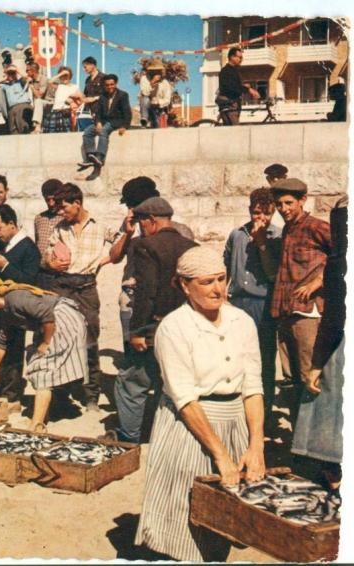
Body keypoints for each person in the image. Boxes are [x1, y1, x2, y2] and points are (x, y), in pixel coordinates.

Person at [135, 246, 265, 562]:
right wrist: (220, 455)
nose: (218, 289)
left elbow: (253, 387)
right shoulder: (174, 327)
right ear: (184, 284)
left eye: (222, 279)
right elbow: (185, 398)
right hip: (189, 426)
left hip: (234, 422)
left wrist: (256, 446)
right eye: (207, 282)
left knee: (225, 520)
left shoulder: (242, 321)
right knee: (184, 513)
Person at [110, 196, 197, 444]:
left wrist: (138, 330)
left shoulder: (146, 246)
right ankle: (168, 436)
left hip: (155, 328)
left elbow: (146, 292)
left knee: (130, 383)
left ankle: (130, 437)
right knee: (170, 383)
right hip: (184, 326)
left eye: (141, 223)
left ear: (151, 220)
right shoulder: (190, 246)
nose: (141, 228)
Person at [0, 277, 88, 431]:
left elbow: (47, 316)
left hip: (63, 321)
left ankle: (37, 425)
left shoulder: (15, 298)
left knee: (41, 368)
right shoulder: (7, 310)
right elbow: (2, 341)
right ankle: (42, 417)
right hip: (55, 322)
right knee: (39, 364)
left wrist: (46, 343)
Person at [292, 195, 346, 490]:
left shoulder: (341, 262)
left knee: (328, 405)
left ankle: (333, 473)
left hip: (342, 347)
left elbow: (335, 318)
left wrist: (316, 365)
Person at [44, 183, 114, 409]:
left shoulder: (100, 225)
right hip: (62, 286)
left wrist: (101, 262)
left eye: (64, 208)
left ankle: (91, 394)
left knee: (90, 339)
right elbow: (47, 254)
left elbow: (122, 243)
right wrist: (51, 262)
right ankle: (62, 393)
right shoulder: (59, 229)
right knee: (61, 339)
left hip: (86, 288)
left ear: (78, 203)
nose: (61, 213)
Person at [108, 177, 194, 357]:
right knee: (133, 352)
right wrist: (127, 233)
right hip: (131, 297)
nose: (129, 210)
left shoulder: (178, 229)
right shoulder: (128, 227)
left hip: (164, 299)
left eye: (130, 205)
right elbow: (114, 257)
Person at [270, 178, 331, 423]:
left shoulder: (317, 226)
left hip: (308, 314)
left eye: (288, 203)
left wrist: (317, 283)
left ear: (303, 201)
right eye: (279, 204)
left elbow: (345, 255)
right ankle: (297, 445)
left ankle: (318, 447)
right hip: (285, 312)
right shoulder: (287, 229)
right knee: (291, 379)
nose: (283, 209)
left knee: (311, 378)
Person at [223, 188, 281, 426]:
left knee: (263, 358)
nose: (260, 218)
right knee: (235, 356)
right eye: (256, 213)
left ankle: (263, 412)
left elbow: (272, 273)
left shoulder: (277, 236)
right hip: (238, 301)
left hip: (262, 303)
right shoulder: (237, 234)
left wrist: (261, 244)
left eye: (265, 214)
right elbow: (226, 265)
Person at [0, 205, 41, 403]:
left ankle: (10, 395)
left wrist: (5, 266)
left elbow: (28, 281)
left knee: (12, 350)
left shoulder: (29, 248)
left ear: (11, 224)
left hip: (13, 308)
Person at [79, 74, 132, 169]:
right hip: (103, 121)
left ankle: (100, 158)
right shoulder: (102, 96)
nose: (109, 87)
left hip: (116, 121)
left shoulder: (123, 95)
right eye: (107, 85)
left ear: (116, 84)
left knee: (104, 131)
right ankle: (90, 157)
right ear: (104, 85)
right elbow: (98, 112)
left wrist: (124, 126)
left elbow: (127, 112)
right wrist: (98, 122)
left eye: (112, 84)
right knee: (87, 132)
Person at [216, 47, 261, 126]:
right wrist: (248, 89)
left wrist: (243, 86)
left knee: (231, 131)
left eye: (241, 58)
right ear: (232, 57)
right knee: (235, 131)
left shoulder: (234, 70)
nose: (241, 60)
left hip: (233, 104)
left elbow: (234, 85)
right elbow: (231, 87)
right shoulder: (226, 71)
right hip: (229, 105)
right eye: (239, 57)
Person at [33, 179, 64, 289]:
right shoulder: (39, 218)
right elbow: (37, 243)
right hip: (42, 274)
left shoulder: (67, 218)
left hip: (61, 275)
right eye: (47, 200)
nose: (51, 203)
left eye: (54, 199)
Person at [0, 64, 33, 134]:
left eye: (12, 73)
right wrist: (5, 77)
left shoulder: (21, 82)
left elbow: (28, 78)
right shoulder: (5, 85)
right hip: (12, 109)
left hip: (22, 106)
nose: (11, 75)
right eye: (9, 73)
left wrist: (16, 70)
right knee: (13, 131)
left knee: (23, 128)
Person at [42, 66, 81, 133]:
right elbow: (49, 82)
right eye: (63, 76)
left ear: (70, 76)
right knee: (52, 134)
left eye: (66, 75)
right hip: (55, 112)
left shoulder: (75, 87)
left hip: (67, 112)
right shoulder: (59, 86)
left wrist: (74, 100)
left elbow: (81, 99)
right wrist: (61, 74)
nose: (65, 77)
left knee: (67, 133)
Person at [138, 63, 172, 128]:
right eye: (154, 71)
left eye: (158, 71)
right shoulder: (144, 79)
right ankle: (144, 119)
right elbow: (144, 93)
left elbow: (167, 100)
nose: (156, 73)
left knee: (157, 125)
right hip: (147, 106)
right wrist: (151, 84)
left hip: (159, 107)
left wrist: (158, 102)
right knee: (145, 99)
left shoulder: (165, 83)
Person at [25, 62, 51, 133]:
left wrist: (31, 86)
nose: (26, 72)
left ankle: (38, 126)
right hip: (37, 104)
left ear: (33, 71)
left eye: (27, 70)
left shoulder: (43, 79)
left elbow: (39, 96)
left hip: (48, 103)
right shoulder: (31, 80)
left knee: (38, 101)